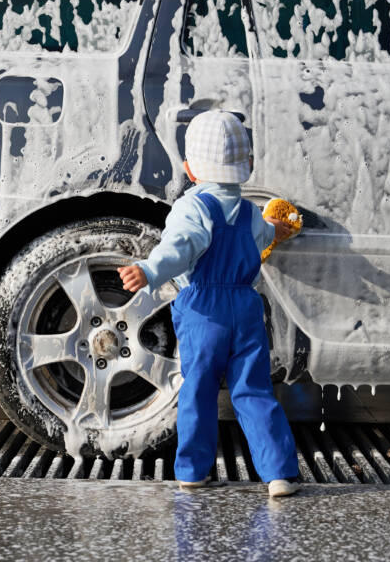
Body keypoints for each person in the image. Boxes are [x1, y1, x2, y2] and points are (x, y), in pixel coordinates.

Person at [117, 110, 301, 497]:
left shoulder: (193, 207)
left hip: (203, 309)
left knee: (198, 389)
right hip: (246, 307)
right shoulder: (250, 212)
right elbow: (266, 232)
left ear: (189, 168)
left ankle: (192, 470)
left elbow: (179, 249)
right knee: (253, 390)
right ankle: (279, 474)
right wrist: (280, 230)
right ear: (246, 165)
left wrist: (149, 271)